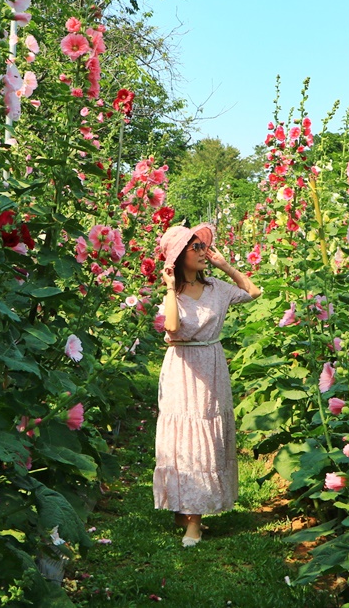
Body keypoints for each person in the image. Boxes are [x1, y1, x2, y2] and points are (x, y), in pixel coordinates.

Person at [153, 223, 261, 547]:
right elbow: (172, 327)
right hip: (180, 368)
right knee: (181, 440)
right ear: (178, 256)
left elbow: (254, 292)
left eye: (204, 247)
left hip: (210, 367)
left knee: (203, 442)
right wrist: (171, 288)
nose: (203, 252)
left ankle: (194, 524)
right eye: (195, 247)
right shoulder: (172, 295)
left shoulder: (217, 288)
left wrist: (225, 266)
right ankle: (183, 504)